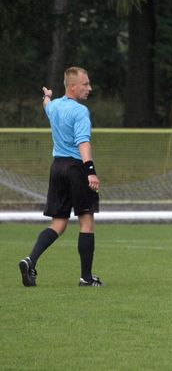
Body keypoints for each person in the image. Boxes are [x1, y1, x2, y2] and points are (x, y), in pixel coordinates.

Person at [18, 67, 102, 287]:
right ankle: (86, 278)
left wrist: (46, 96)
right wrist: (90, 170)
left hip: (57, 168)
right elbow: (83, 142)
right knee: (86, 222)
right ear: (72, 86)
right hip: (76, 168)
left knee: (58, 223)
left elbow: (46, 105)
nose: (89, 88)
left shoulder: (54, 106)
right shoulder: (80, 111)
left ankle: (30, 261)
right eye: (85, 84)